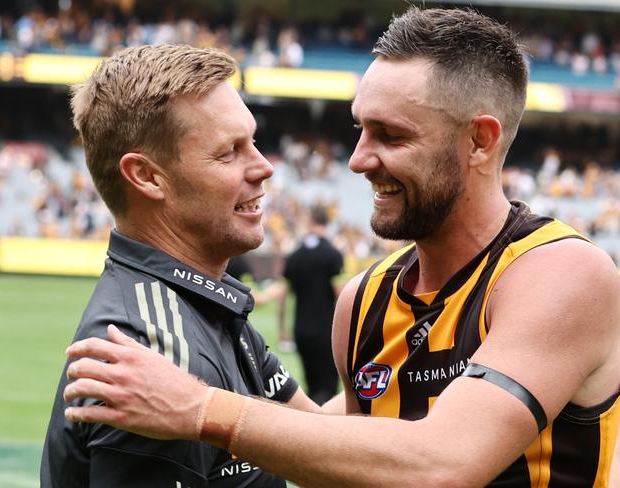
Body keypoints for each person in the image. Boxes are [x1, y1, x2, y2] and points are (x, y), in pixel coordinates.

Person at [61, 8, 620, 487]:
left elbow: (445, 465)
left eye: (391, 135)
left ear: (479, 140)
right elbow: (338, 453)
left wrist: (201, 408)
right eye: (359, 129)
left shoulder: (561, 273)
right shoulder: (365, 301)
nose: (357, 158)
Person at [40, 44, 324, 488]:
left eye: (253, 142)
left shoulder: (206, 308)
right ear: (148, 177)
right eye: (229, 152)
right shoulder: (155, 351)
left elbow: (323, 440)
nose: (265, 167)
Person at [281, 204, 343, 404]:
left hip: (301, 329)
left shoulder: (295, 256)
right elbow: (340, 293)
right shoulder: (332, 254)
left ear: (310, 223)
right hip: (326, 331)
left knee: (312, 385)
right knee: (328, 388)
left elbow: (283, 296)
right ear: (328, 223)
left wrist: (283, 329)